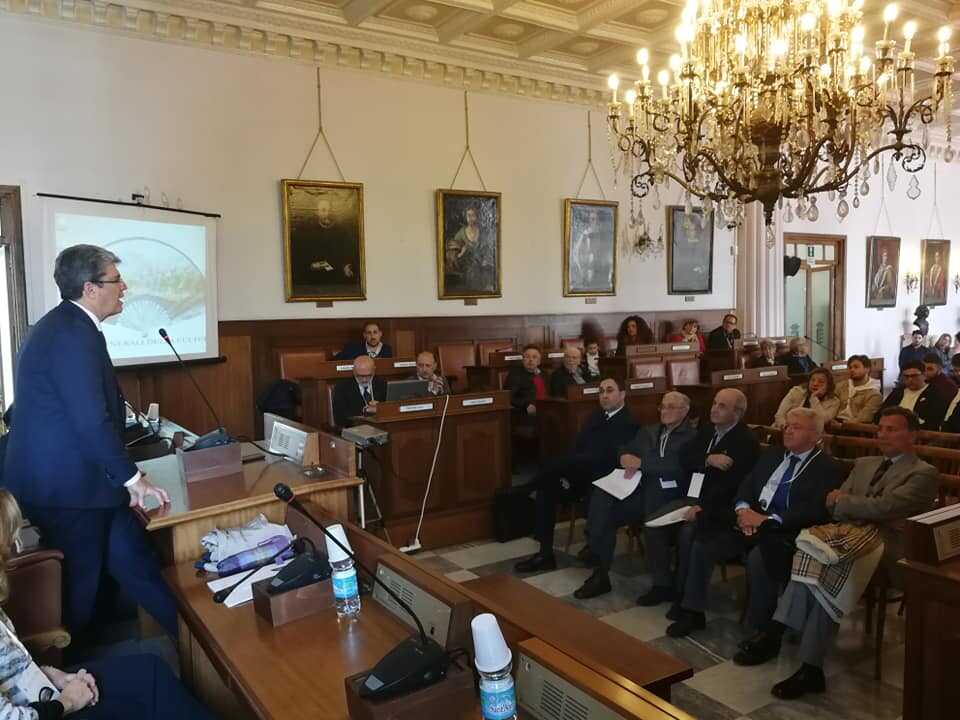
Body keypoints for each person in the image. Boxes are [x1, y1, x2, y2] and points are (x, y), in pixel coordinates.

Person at [3, 245, 177, 637]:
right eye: (116, 280)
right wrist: (133, 479)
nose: (124, 287)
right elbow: (89, 421)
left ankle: (198, 647)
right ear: (90, 288)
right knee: (79, 593)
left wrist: (125, 480)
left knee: (138, 567)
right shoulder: (70, 334)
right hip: (69, 492)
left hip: (88, 486)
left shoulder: (65, 326)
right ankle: (69, 669)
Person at [737, 408, 937, 698]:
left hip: (886, 546)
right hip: (846, 536)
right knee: (811, 556)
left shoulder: (923, 473)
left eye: (892, 429)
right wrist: (860, 507)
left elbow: (886, 507)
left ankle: (799, 656)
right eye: (880, 428)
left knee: (826, 570)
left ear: (913, 435)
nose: (883, 434)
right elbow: (832, 504)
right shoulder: (865, 463)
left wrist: (852, 504)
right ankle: (794, 651)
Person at [0, 489, 214, 719]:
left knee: (150, 671)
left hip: (36, 692)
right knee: (147, 698)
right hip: (43, 711)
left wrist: (49, 676)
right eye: (8, 543)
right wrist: (67, 702)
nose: (16, 549)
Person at [729, 409, 840, 643]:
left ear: (815, 435)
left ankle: (763, 630)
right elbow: (748, 484)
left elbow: (815, 510)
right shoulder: (773, 453)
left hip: (789, 530)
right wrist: (743, 510)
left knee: (760, 557)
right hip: (752, 519)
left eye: (796, 427)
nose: (788, 430)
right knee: (703, 529)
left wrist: (768, 521)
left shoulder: (826, 466)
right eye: (786, 425)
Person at [574, 392, 696, 601]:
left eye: (671, 407)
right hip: (641, 490)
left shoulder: (692, 437)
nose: (665, 411)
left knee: (650, 519)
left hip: (672, 494)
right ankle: (600, 573)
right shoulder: (650, 430)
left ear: (685, 411)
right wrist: (624, 455)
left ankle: (662, 585)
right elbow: (627, 448)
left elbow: (678, 466)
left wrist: (642, 463)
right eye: (663, 406)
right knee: (604, 504)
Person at [514, 377, 637, 573]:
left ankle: (524, 489)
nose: (604, 395)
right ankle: (545, 554)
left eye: (609, 391)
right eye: (601, 391)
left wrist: (569, 466)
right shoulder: (595, 416)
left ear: (622, 395)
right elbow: (577, 447)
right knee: (547, 488)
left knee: (553, 466)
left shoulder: (629, 423)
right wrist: (567, 474)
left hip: (604, 482)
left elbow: (607, 459)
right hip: (581, 475)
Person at [666, 388, 761, 637]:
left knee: (693, 536)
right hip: (699, 499)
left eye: (722, 406)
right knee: (679, 528)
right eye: (715, 403)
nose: (714, 409)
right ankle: (682, 597)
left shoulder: (745, 442)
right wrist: (708, 458)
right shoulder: (709, 430)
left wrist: (702, 509)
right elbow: (685, 455)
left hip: (726, 511)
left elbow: (732, 488)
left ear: (737, 413)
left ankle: (691, 609)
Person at [289, 192, 361, 292]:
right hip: (315, 276)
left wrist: (346, 265)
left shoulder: (340, 230)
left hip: (335, 272)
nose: (327, 213)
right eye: (323, 210)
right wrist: (312, 265)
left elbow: (347, 251)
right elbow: (303, 256)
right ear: (317, 212)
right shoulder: (308, 231)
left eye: (329, 210)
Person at [877, 361, 948, 430]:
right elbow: (881, 413)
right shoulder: (898, 392)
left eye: (914, 376)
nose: (910, 379)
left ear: (924, 375)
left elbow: (934, 422)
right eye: (906, 376)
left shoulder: (934, 394)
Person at [772, 368, 840, 429]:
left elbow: (823, 421)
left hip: (812, 434)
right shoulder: (796, 392)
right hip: (785, 429)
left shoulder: (834, 401)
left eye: (821, 382)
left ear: (828, 385)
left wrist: (814, 398)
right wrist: (786, 427)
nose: (815, 384)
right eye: (812, 380)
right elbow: (779, 415)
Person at [331, 355, 387, 427]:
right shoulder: (342, 388)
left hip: (380, 427)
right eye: (360, 376)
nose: (364, 380)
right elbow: (340, 418)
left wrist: (380, 408)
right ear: (354, 371)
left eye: (369, 375)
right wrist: (365, 410)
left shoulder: (383, 385)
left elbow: (392, 410)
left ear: (374, 370)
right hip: (354, 429)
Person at [834, 355, 883, 424]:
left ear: (867, 369)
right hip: (834, 421)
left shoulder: (874, 394)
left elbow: (864, 418)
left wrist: (841, 425)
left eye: (856, 367)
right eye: (850, 367)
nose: (852, 370)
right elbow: (831, 404)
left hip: (854, 426)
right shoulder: (841, 386)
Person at [504, 345, 546, 418]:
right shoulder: (515, 374)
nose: (531, 360)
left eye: (534, 357)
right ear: (523, 360)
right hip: (524, 412)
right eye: (527, 357)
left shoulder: (544, 374)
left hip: (545, 410)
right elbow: (508, 396)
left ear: (539, 361)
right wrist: (526, 405)